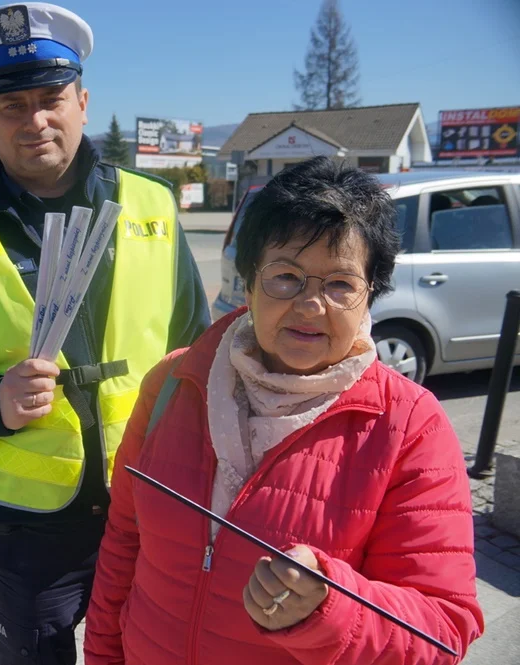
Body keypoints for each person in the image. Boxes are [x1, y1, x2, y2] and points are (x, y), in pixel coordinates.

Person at [0, 3, 210, 663]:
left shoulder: (152, 205)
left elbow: (200, 353)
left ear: (82, 101)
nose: (35, 120)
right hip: (24, 529)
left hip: (147, 498)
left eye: (52, 98)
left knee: (153, 650)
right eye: (12, 106)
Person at [83, 157, 484, 665]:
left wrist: (333, 609)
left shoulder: (409, 426)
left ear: (370, 297)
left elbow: (443, 630)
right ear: (249, 283)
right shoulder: (173, 383)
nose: (310, 305)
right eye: (285, 277)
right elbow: (123, 547)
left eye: (340, 284)